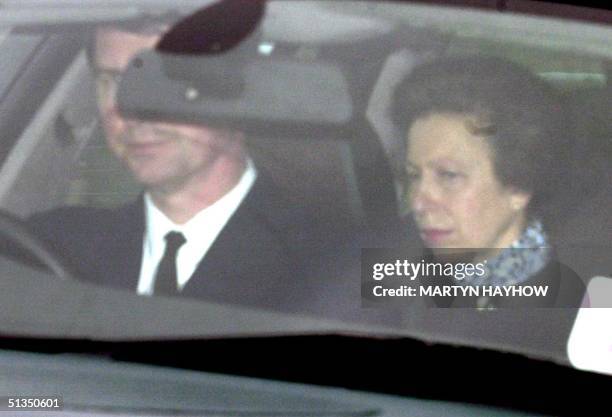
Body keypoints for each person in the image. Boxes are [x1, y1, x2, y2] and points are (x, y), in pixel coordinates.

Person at [28, 24, 321, 311]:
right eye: (115, 82)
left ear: (240, 92)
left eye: (166, 79)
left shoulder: (349, 263)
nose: (133, 111)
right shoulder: (46, 248)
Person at [389, 55, 586, 308]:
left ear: (519, 186)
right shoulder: (390, 267)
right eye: (414, 175)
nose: (418, 202)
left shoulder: (584, 308)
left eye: (449, 175)